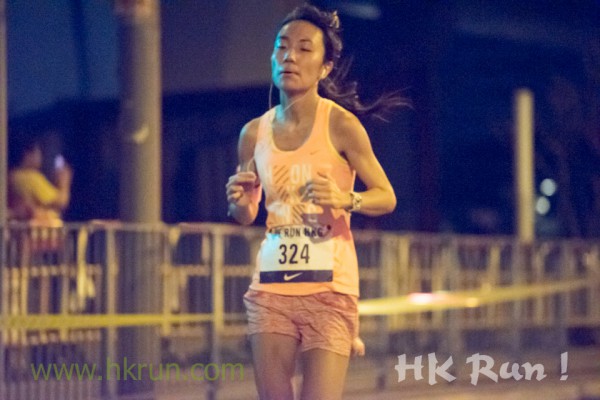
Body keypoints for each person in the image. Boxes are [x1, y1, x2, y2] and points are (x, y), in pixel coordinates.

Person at [225, 4, 405, 399]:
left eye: (304, 48)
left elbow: (386, 196)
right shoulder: (253, 134)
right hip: (272, 288)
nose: (289, 56)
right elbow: (247, 213)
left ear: (325, 68)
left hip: (330, 289)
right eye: (282, 46)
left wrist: (346, 198)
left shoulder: (341, 125)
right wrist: (239, 201)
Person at [8, 136, 73, 224]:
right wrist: (64, 182)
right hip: (40, 230)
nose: (41, 157)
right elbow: (60, 201)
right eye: (38, 152)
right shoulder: (30, 178)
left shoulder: (12, 176)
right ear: (28, 154)